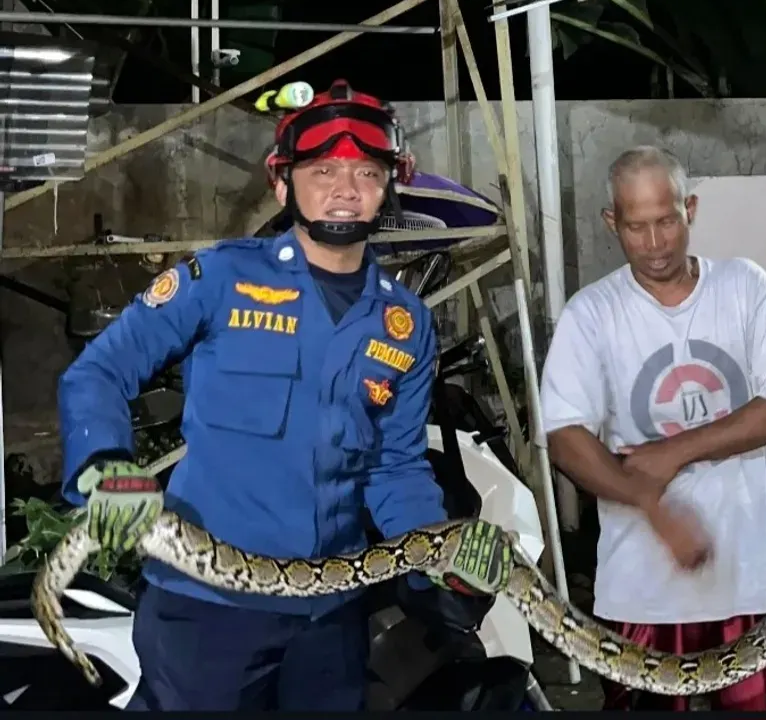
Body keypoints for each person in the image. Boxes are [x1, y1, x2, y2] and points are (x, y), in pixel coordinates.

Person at [56, 79, 512, 711]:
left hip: (329, 622)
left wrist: (435, 558)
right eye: (323, 169)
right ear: (282, 183)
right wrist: (104, 464)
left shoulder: (405, 323)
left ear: (390, 187)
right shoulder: (219, 279)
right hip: (205, 611)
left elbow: (395, 466)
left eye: (367, 171)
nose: (346, 189)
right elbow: (99, 371)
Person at [539, 145, 766, 711]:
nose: (655, 242)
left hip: (754, 577)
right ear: (612, 222)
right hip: (642, 589)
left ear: (690, 208)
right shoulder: (591, 314)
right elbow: (566, 437)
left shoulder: (745, 287)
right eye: (636, 227)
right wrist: (652, 503)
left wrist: (674, 453)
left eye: (666, 220)